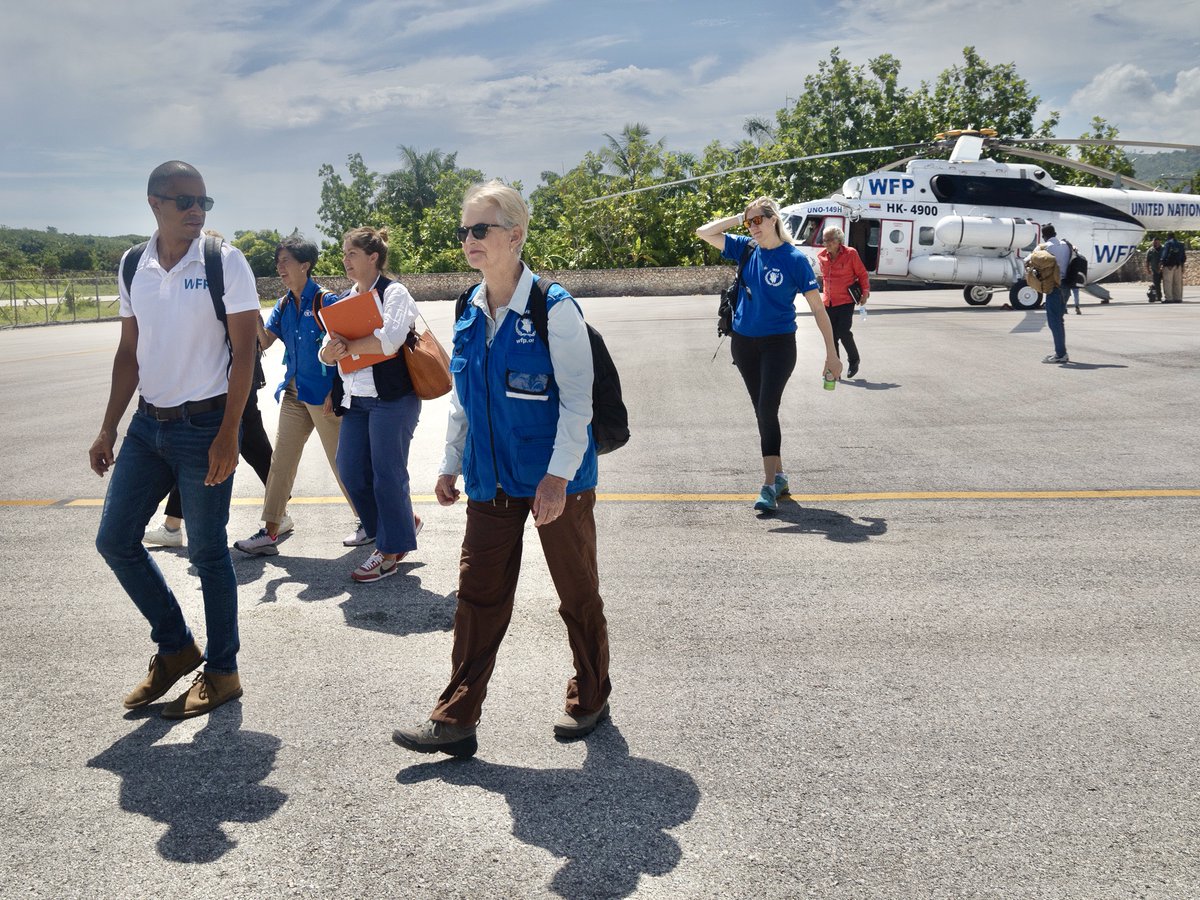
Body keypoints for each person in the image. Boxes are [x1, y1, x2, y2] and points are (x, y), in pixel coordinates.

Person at [392, 181, 610, 758]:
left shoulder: (553, 309)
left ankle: (592, 695)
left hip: (554, 478)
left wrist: (558, 478)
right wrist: (451, 462)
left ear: (515, 236)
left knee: (576, 592)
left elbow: (578, 403)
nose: (468, 240)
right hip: (491, 477)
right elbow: (465, 396)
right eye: (464, 230)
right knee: (477, 597)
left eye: (480, 229)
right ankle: (455, 718)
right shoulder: (468, 305)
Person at [91, 160, 259, 718]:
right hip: (147, 426)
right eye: (184, 200)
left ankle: (223, 670)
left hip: (206, 425)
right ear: (153, 203)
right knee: (115, 540)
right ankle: (176, 645)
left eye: (204, 202)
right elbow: (128, 352)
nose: (196, 211)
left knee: (209, 553)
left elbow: (244, 353)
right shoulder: (133, 263)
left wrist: (228, 434)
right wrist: (108, 425)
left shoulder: (223, 262)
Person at [695, 196, 842, 512]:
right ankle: (780, 477)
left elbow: (818, 308)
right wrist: (740, 216)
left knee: (766, 408)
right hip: (744, 343)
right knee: (764, 411)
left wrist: (832, 354)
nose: (753, 227)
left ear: (774, 218)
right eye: (750, 223)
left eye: (758, 220)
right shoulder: (746, 248)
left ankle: (767, 484)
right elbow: (703, 232)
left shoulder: (794, 259)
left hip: (779, 344)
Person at [233, 235, 361, 556]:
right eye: (278, 262)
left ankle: (369, 520)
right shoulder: (284, 304)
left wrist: (337, 389)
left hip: (324, 395)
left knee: (342, 463)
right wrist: (252, 315)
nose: (280, 267)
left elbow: (347, 351)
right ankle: (271, 530)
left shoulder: (326, 303)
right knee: (281, 461)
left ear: (305, 265)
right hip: (293, 393)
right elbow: (264, 342)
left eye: (285, 261)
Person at [318, 227, 423, 582]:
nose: (345, 260)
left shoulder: (395, 293)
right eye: (344, 253)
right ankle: (399, 525)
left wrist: (349, 345)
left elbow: (390, 341)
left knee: (387, 476)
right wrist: (330, 352)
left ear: (373, 257)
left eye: (352, 253)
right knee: (349, 469)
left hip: (392, 400)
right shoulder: (344, 298)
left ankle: (390, 550)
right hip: (357, 400)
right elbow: (327, 350)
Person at [816, 226, 869, 377]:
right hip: (828, 301)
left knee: (843, 332)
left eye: (830, 240)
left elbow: (862, 274)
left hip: (846, 300)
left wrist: (865, 292)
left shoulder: (850, 253)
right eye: (824, 240)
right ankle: (835, 368)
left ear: (839, 240)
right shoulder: (821, 256)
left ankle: (854, 360)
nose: (827, 243)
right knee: (831, 336)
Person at [1039, 225, 1071, 365]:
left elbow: (1029, 259)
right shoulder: (1066, 245)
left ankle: (1060, 354)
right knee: (1059, 321)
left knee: (1054, 322)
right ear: (1055, 233)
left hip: (1054, 288)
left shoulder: (1046, 247)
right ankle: (1061, 352)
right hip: (1066, 287)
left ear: (1043, 236)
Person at [1160, 232, 1187, 303]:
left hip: (1168, 266)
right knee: (1177, 282)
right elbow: (1183, 257)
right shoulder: (1181, 244)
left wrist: (1162, 263)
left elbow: (1164, 254)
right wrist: (1181, 265)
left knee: (1168, 282)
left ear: (1168, 236)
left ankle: (1169, 298)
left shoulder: (1168, 243)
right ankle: (1178, 298)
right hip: (1178, 265)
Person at [1146, 238, 1163, 303]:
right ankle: (1159, 297)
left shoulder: (1163, 249)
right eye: (1154, 242)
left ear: (1159, 242)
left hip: (1164, 270)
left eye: (1157, 242)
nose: (1155, 244)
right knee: (1156, 284)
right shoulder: (1150, 250)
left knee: (1167, 284)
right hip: (1155, 270)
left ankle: (1169, 297)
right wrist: (1148, 269)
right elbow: (1147, 261)